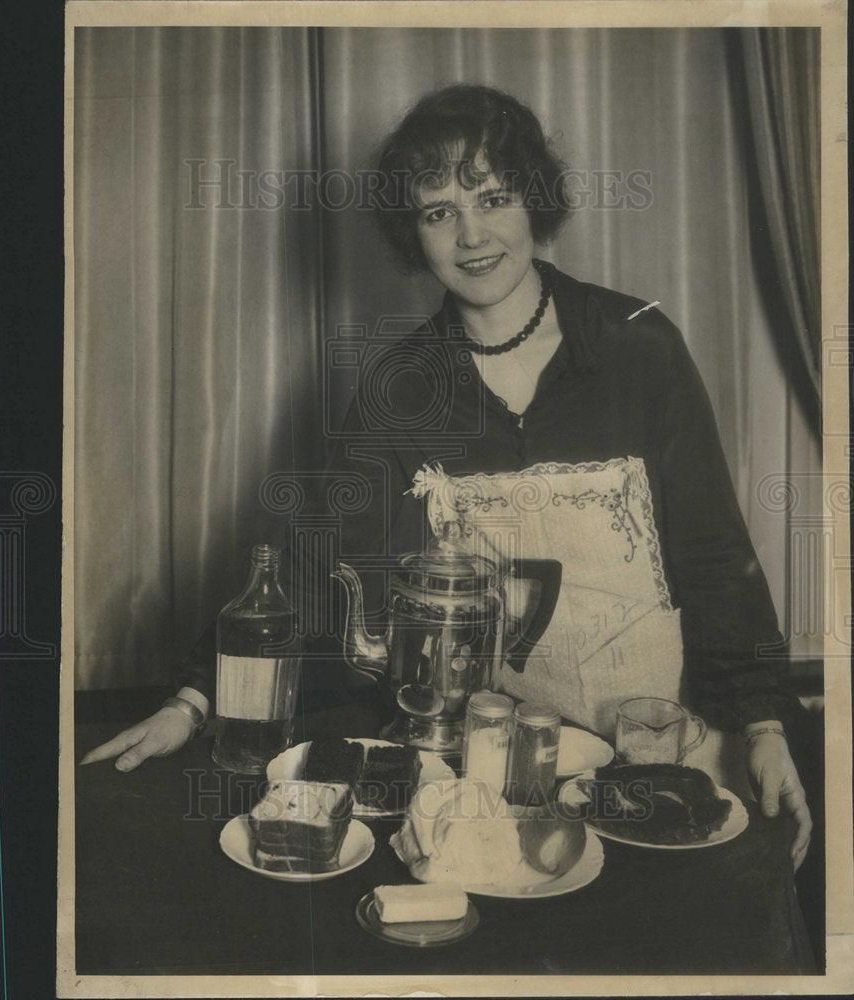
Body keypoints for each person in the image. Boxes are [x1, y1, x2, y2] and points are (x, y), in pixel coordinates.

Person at [81, 84, 813, 872]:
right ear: (413, 234)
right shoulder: (401, 387)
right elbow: (311, 566)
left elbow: (712, 553)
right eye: (438, 212)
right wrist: (190, 702)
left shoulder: (641, 346)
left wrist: (765, 723)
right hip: (492, 779)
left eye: (493, 198)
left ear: (535, 200)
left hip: (658, 758)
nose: (472, 235)